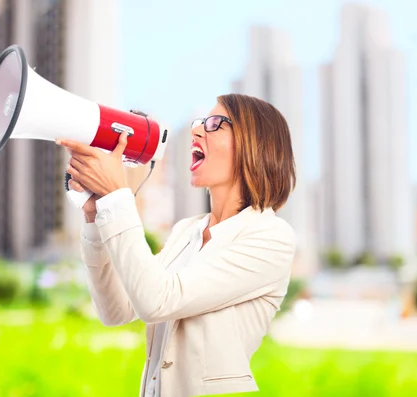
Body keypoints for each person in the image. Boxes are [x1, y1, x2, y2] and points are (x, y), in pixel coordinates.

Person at [57, 93, 298, 397]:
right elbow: (116, 310)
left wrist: (117, 196)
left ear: (255, 145)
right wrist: (94, 216)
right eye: (199, 123)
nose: (197, 131)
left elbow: (158, 300)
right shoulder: (187, 231)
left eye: (215, 124)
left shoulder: (270, 237)